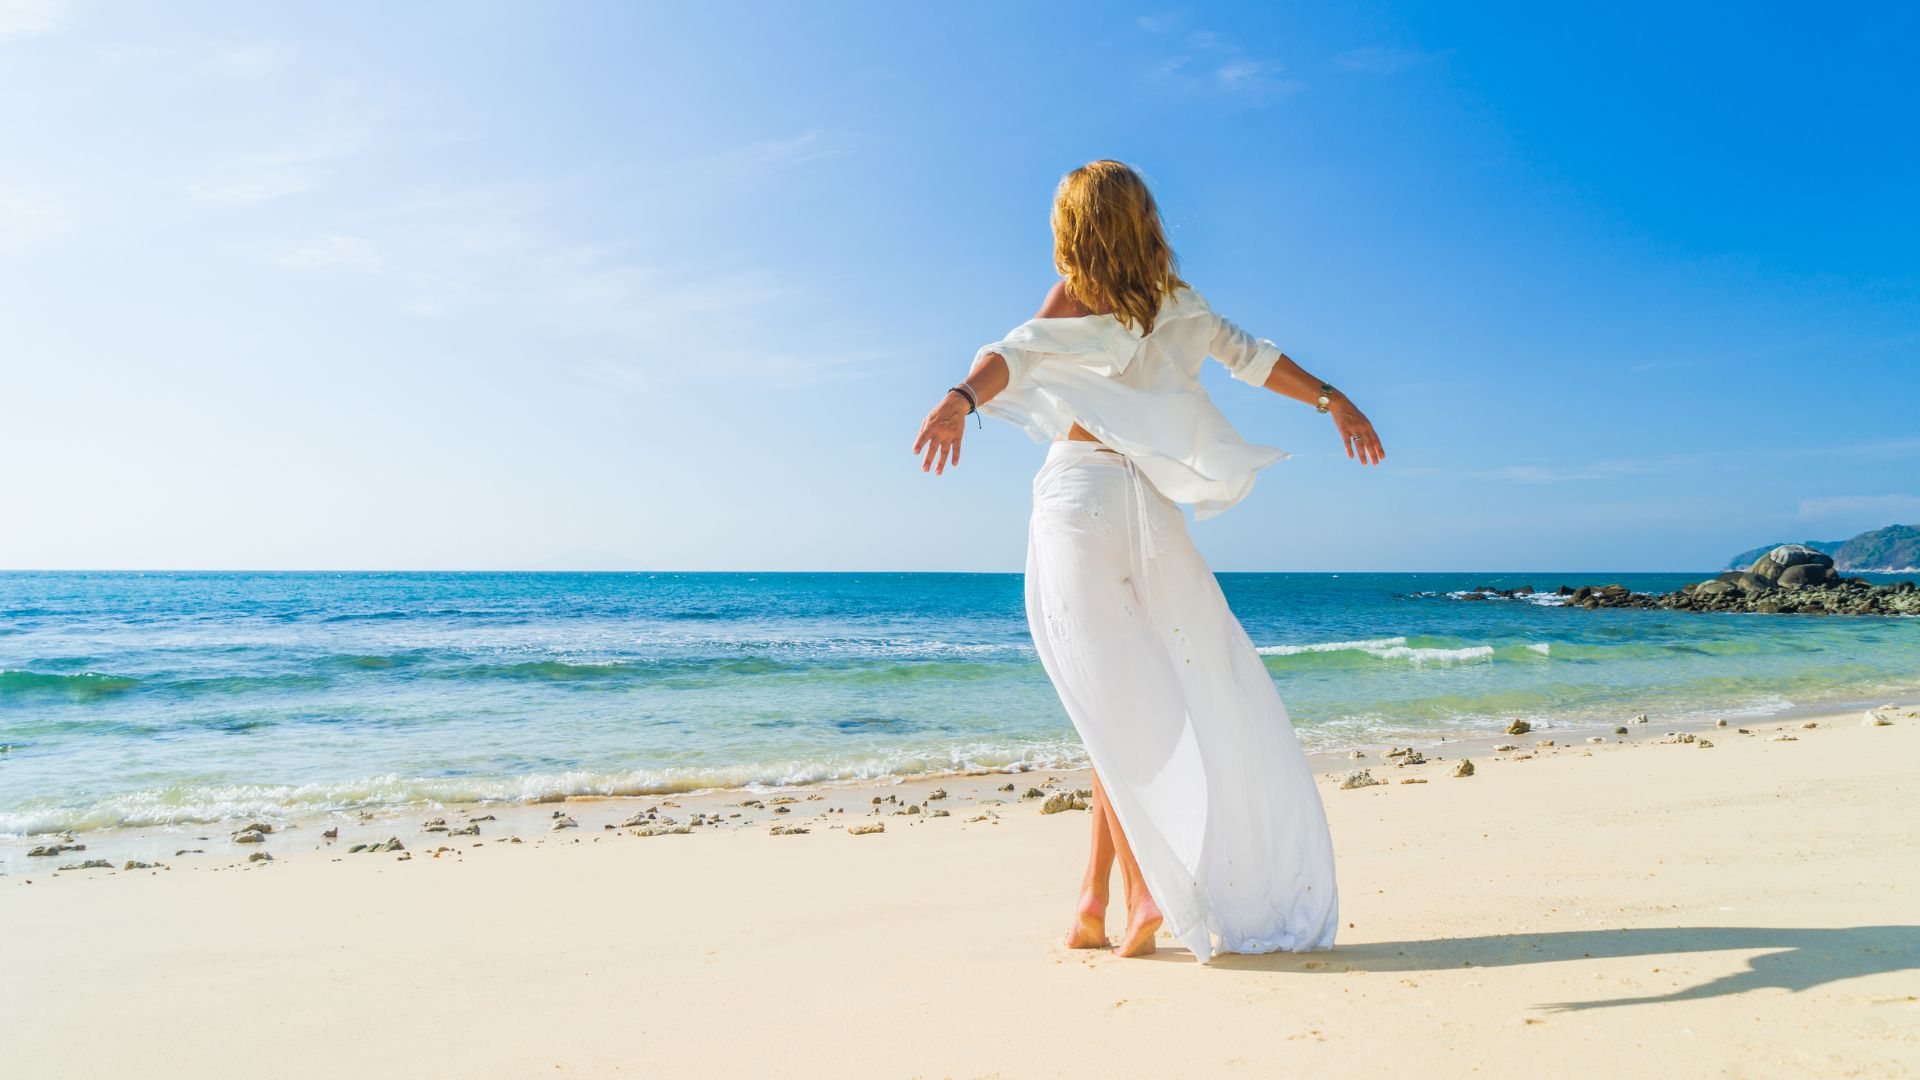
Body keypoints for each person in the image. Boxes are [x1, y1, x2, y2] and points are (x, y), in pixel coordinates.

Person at [911, 160, 1384, 961]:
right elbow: (1255, 359)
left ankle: (1140, 897)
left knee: (1109, 705)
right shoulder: (1181, 303)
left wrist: (960, 400)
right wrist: (1334, 400)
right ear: (1145, 218)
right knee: (1128, 703)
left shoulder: (1074, 295)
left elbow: (1015, 356)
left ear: (1073, 226)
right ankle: (1094, 901)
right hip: (1152, 515)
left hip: (1079, 502)